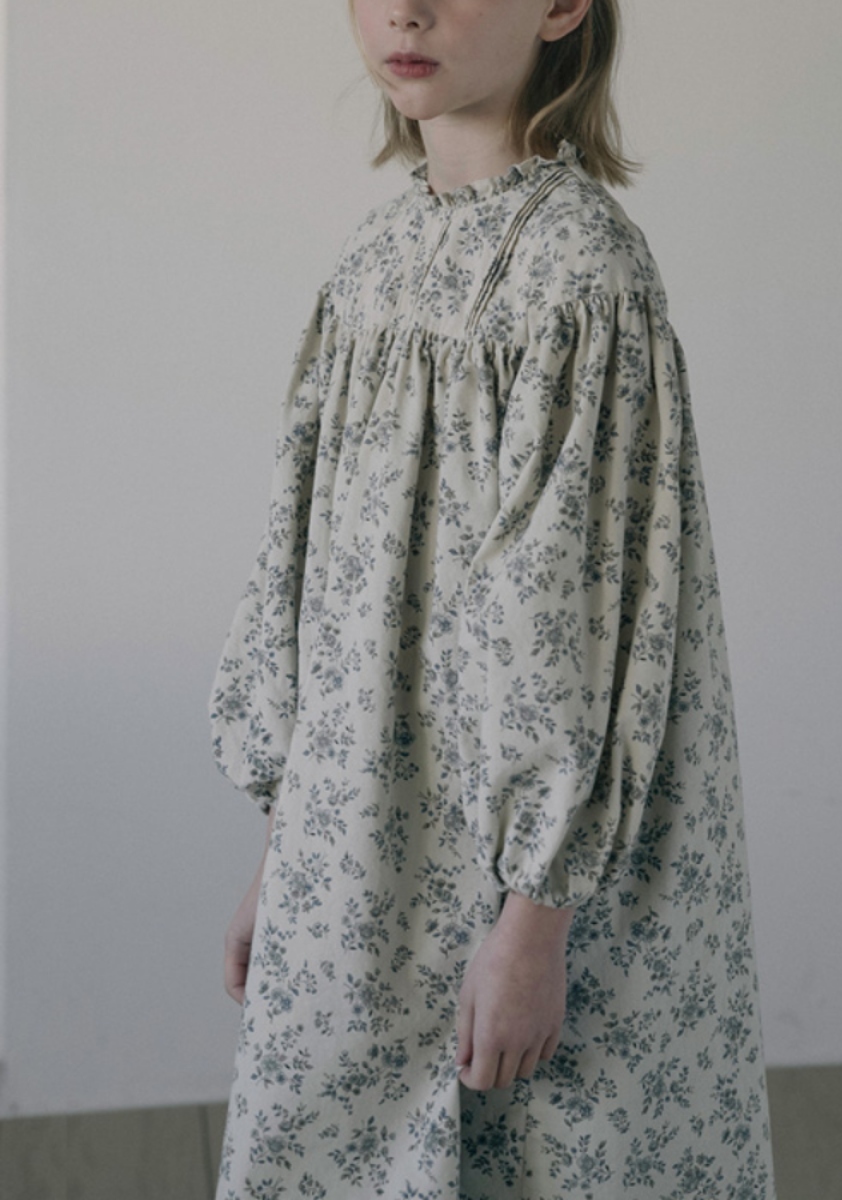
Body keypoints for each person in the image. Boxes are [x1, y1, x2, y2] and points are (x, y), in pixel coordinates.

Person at [209, 0, 778, 1195]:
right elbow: (307, 589)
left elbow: (575, 628)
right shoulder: (374, 259)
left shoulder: (581, 270)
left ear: (563, 5)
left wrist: (533, 925)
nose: (405, 10)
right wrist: (286, 855)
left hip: (517, 878)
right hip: (357, 845)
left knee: (546, 1152)